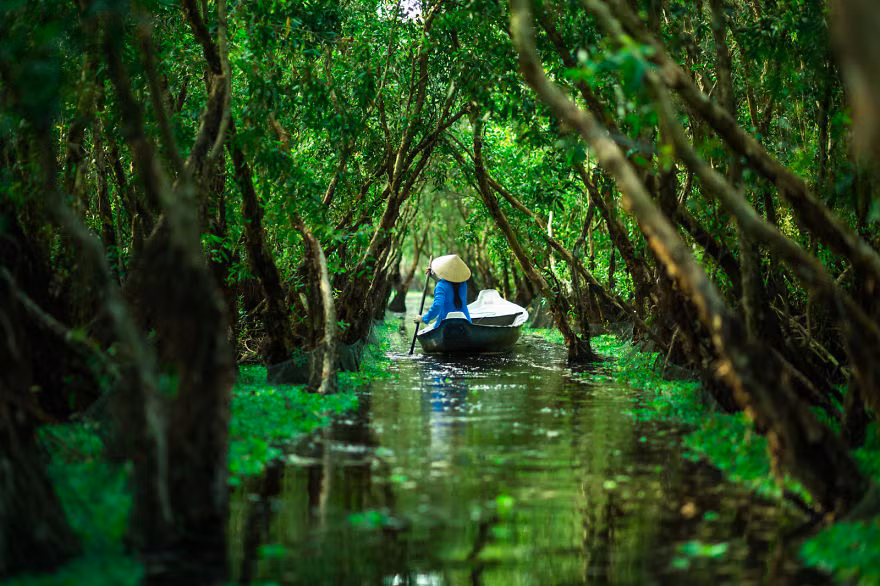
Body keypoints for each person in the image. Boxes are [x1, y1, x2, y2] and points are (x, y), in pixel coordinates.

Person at [414, 254, 472, 325]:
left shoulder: (441, 285)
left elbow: (438, 305)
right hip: (466, 322)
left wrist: (424, 318)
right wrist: (435, 277)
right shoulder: (463, 283)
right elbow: (451, 286)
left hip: (446, 324)